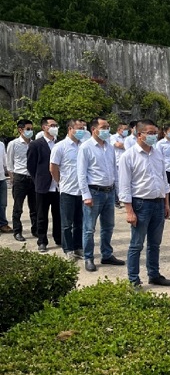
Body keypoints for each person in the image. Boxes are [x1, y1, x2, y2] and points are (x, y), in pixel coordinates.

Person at [119, 119, 170, 287]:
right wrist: (129, 211)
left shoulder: (157, 154)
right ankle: (133, 279)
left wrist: (166, 203)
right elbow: (124, 186)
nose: (153, 136)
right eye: (150, 133)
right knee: (136, 244)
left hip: (158, 203)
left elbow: (164, 180)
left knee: (155, 244)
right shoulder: (129, 156)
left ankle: (154, 274)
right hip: (141, 204)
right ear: (139, 134)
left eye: (155, 133)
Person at [77, 116, 125, 271]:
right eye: (103, 127)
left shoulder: (109, 147)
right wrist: (86, 195)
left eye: (108, 127)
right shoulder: (86, 147)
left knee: (108, 226)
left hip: (109, 192)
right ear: (94, 129)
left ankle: (106, 254)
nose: (107, 130)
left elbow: (114, 171)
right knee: (89, 228)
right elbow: (81, 173)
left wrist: (118, 191)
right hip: (94, 192)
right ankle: (89, 257)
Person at [50, 119, 86, 260]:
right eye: (79, 128)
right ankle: (68, 249)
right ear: (70, 129)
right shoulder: (60, 147)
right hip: (67, 190)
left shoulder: (84, 146)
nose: (82, 131)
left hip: (82, 191)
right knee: (66, 223)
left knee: (79, 222)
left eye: (83, 128)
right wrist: (60, 182)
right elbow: (53, 167)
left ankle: (78, 247)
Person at [26, 117, 61, 252]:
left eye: (56, 125)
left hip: (58, 186)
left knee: (58, 215)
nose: (55, 127)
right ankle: (42, 241)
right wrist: (38, 180)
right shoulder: (36, 145)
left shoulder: (59, 143)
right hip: (43, 186)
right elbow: (31, 166)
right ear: (44, 127)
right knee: (42, 215)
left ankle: (58, 237)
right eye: (52, 125)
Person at [6, 119, 37, 242]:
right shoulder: (13, 144)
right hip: (20, 177)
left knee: (34, 207)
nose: (30, 131)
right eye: (28, 129)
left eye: (31, 129)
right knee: (18, 207)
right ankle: (17, 231)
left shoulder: (34, 144)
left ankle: (35, 229)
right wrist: (13, 178)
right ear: (20, 130)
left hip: (33, 178)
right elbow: (9, 163)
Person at [157, 124, 170, 218]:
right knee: (166, 191)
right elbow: (158, 157)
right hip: (166, 169)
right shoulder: (160, 143)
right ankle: (164, 209)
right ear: (165, 132)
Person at [110, 123, 129, 208]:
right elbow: (117, 145)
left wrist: (123, 145)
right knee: (117, 182)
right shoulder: (113, 137)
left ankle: (124, 199)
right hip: (117, 162)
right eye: (124, 129)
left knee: (125, 181)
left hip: (127, 162)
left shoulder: (127, 138)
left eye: (127, 129)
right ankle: (117, 200)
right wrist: (127, 146)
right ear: (119, 129)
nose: (126, 131)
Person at [0, 139, 12, 233]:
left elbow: (5, 162)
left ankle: (3, 224)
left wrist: (11, 175)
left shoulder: (1, 144)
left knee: (3, 203)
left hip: (1, 178)